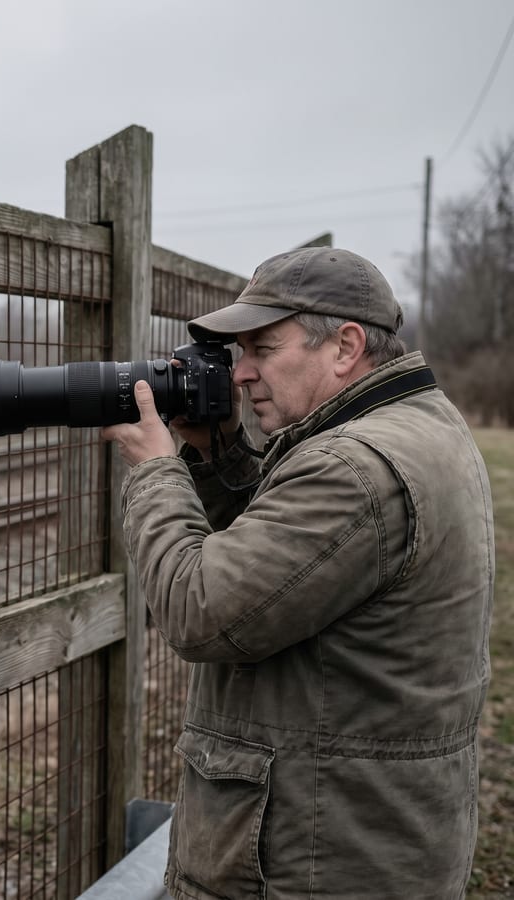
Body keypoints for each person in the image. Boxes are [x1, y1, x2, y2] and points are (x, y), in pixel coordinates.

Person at [103, 247, 494, 899]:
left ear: (343, 347)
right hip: (367, 837)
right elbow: (286, 569)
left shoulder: (355, 469)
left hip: (319, 862)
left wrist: (154, 468)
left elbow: (201, 610)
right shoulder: (414, 425)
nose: (243, 374)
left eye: (262, 348)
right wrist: (218, 451)